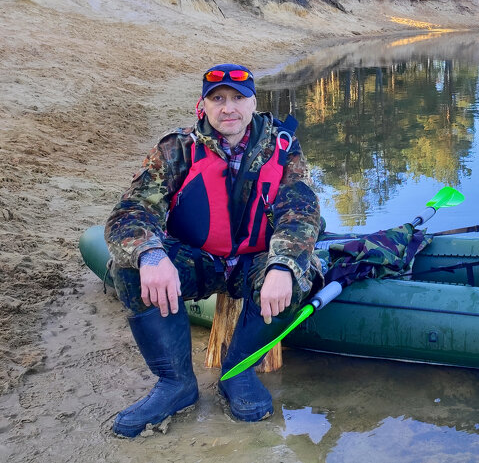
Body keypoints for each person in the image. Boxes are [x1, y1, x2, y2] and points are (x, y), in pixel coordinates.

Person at [104, 63, 321, 437]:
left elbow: (301, 214)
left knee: (301, 276)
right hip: (197, 259)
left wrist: (283, 265)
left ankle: (236, 373)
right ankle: (175, 384)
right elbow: (130, 212)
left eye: (239, 98)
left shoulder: (283, 149)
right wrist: (151, 255)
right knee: (127, 267)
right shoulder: (177, 149)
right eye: (218, 99)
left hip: (254, 262)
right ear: (202, 105)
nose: (229, 108)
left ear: (254, 103)